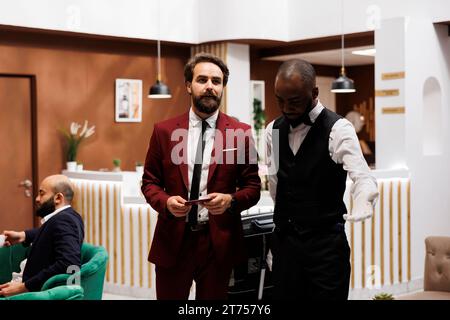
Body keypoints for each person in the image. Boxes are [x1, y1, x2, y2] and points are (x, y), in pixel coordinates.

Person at [141, 53, 261, 300]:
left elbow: (253, 187)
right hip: (173, 239)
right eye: (202, 79)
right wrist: (165, 203)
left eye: (216, 82)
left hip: (218, 244)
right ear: (188, 85)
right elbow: (150, 182)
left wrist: (231, 200)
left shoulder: (241, 133)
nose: (209, 86)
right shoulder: (163, 131)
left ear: (222, 88)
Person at [265, 59, 379, 300]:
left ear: (314, 92)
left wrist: (363, 201)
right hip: (286, 246)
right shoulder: (272, 130)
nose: (286, 107)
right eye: (280, 100)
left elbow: (362, 176)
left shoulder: (339, 128)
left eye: (294, 101)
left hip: (325, 247)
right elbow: (276, 183)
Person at [0, 174, 84, 297]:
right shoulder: (70, 216)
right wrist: (23, 236)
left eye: (42, 193)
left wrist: (24, 287)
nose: (37, 199)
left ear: (58, 198)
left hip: (34, 294)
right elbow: (51, 232)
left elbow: (69, 263)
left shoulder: (63, 221)